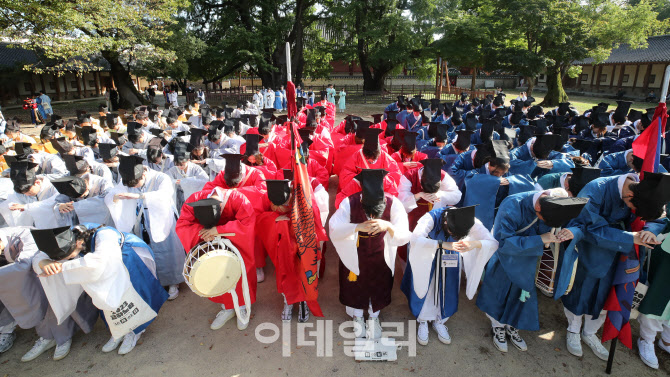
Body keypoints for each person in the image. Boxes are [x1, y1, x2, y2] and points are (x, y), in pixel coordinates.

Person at [561, 172, 669, 361]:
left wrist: (649, 232)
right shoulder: (596, 189)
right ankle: (573, 329)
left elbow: (658, 218)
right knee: (582, 291)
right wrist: (630, 238)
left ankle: (589, 332)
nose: (631, 211)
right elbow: (588, 227)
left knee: (608, 295)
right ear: (629, 196)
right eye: (632, 208)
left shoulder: (645, 189)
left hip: (622, 255)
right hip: (592, 249)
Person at [31, 224, 168, 355]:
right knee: (103, 296)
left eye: (69, 257)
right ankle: (118, 331)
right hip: (99, 269)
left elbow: (101, 263)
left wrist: (63, 268)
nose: (66, 260)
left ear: (78, 243)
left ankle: (136, 330)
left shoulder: (104, 235)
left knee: (132, 295)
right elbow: (41, 255)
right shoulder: (66, 237)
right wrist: (44, 263)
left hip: (126, 258)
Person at [476, 189, 586, 353]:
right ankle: (497, 326)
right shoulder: (512, 204)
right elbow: (503, 242)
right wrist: (540, 239)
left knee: (522, 296)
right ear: (538, 209)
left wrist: (572, 232)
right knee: (499, 293)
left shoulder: (557, 201)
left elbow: (579, 225)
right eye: (545, 220)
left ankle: (513, 326)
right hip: (507, 260)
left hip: (530, 261)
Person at [329, 169, 411, 339]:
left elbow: (404, 231)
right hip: (355, 251)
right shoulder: (349, 202)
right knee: (355, 284)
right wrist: (356, 227)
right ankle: (357, 316)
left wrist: (387, 226)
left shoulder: (393, 202)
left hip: (382, 251)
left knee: (379, 281)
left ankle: (374, 317)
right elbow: (334, 227)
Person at [402, 205, 498, 345]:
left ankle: (439, 320)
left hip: (451, 256)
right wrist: (442, 244)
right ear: (446, 222)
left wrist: (474, 244)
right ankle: (422, 320)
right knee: (426, 286)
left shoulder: (469, 220)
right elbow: (415, 239)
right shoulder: (432, 217)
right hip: (427, 253)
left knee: (448, 286)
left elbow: (492, 242)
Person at [104, 155, 185, 301]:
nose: (133, 187)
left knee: (168, 251)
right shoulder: (128, 181)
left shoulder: (160, 178)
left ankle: (174, 282)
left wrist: (140, 196)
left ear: (144, 173)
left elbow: (165, 194)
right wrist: (115, 197)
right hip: (142, 223)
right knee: (148, 251)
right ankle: (156, 281)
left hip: (162, 220)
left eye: (137, 184)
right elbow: (112, 194)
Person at [176, 190, 257, 331]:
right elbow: (183, 224)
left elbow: (248, 223)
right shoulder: (195, 199)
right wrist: (203, 233)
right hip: (209, 243)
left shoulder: (237, 199)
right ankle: (227, 308)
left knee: (238, 273)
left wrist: (220, 230)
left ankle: (242, 307)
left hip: (236, 242)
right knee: (216, 274)